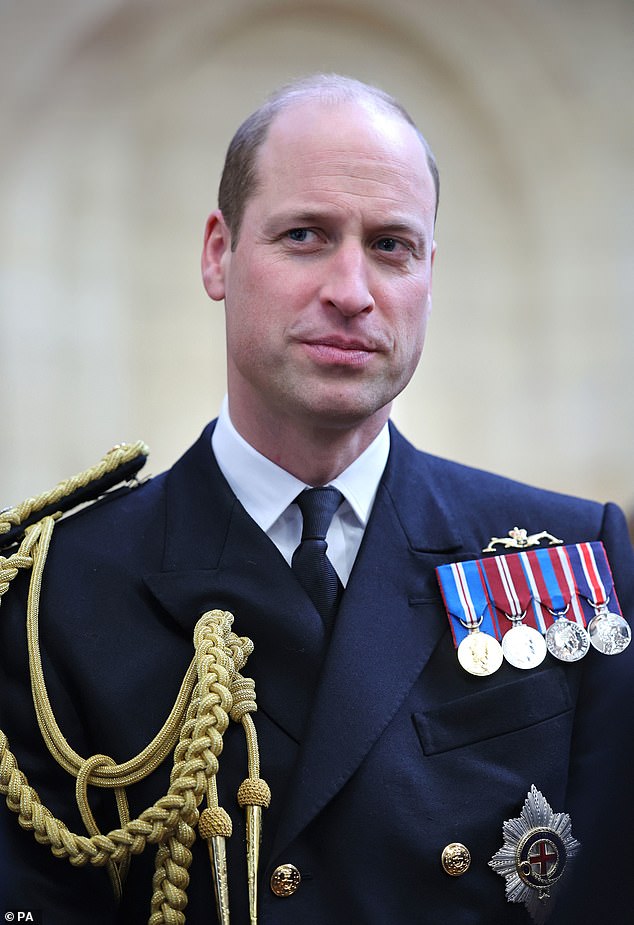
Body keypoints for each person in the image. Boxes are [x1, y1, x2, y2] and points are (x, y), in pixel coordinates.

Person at [1, 73, 633, 925]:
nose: (352, 290)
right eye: (305, 235)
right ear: (218, 253)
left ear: (429, 276)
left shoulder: (571, 558)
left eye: (392, 245)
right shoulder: (54, 595)